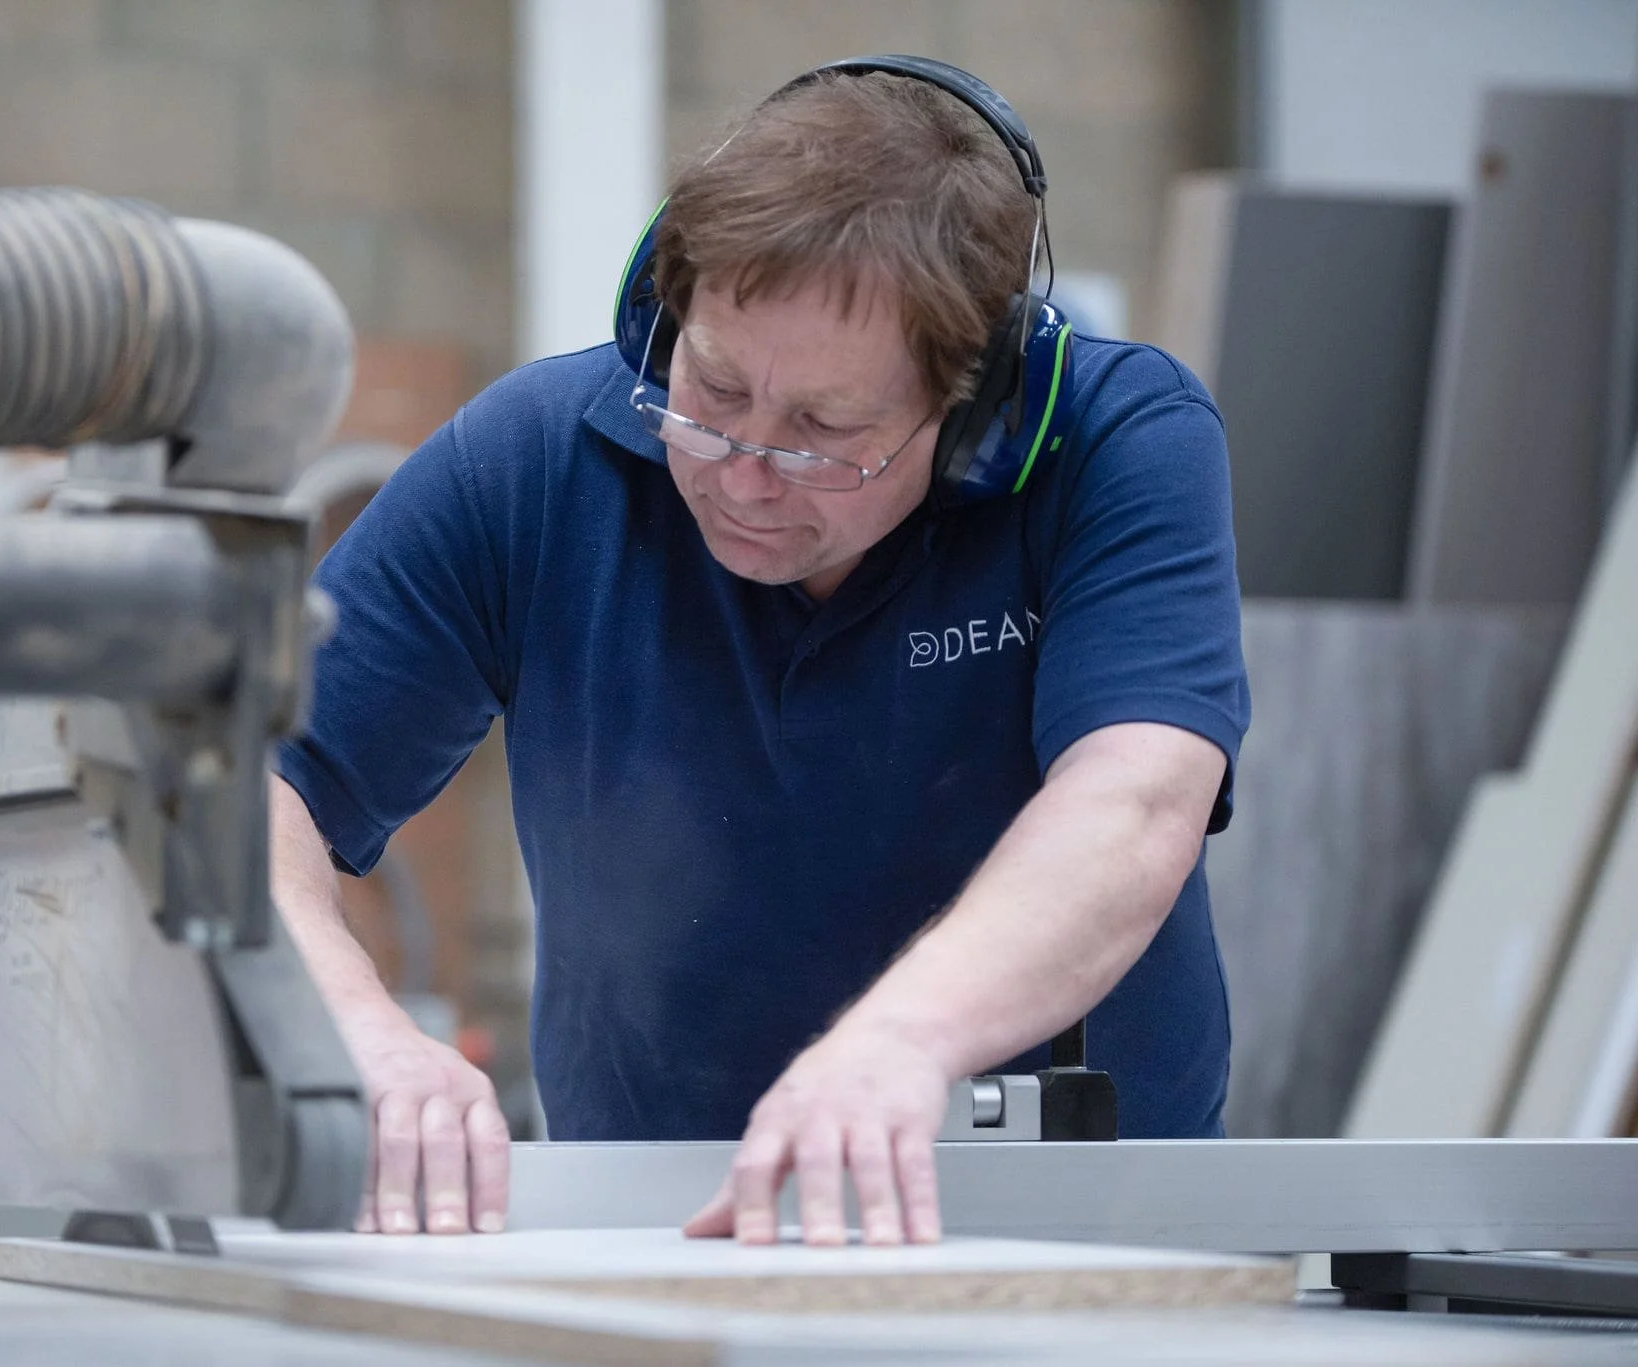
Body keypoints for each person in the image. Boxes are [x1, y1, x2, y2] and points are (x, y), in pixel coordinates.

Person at [272, 56, 1248, 1248]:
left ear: (973, 411)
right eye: (713, 387)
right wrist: (358, 1036)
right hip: (651, 1229)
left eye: (822, 433)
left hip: (1071, 1233)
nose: (736, 473)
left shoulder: (1116, 445)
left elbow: (1134, 802)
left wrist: (899, 1043)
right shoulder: (527, 465)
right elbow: (252, 791)